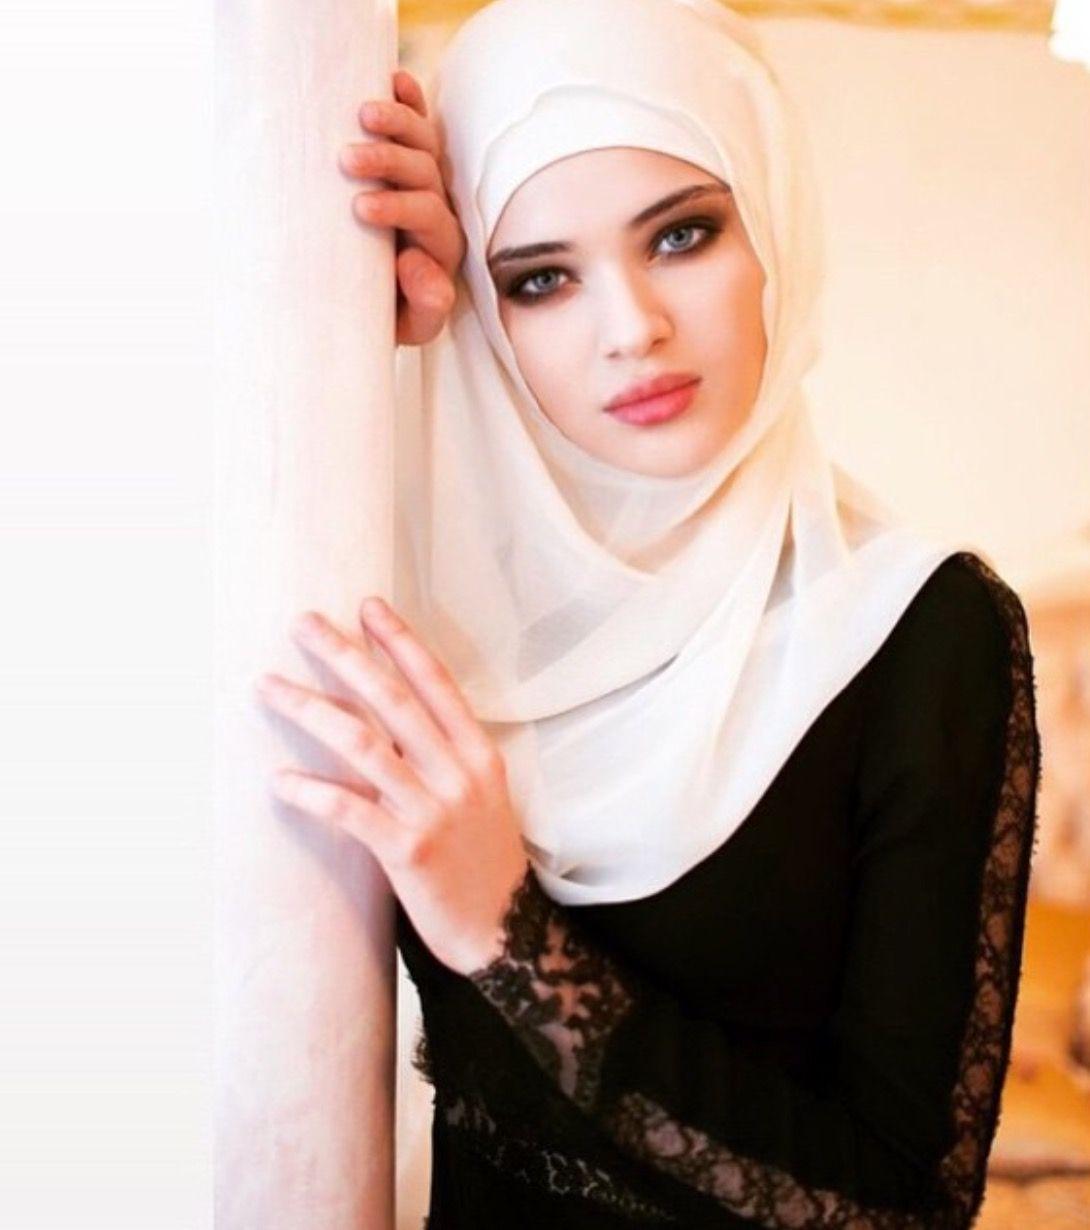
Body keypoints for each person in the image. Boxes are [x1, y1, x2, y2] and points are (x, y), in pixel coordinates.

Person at [264, 0, 1041, 1225]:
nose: (632, 330)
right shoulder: (451, 605)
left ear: (772, 225)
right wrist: (371, 344)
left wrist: (508, 937)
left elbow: (902, 1206)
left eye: (681, 235)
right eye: (538, 281)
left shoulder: (923, 635)